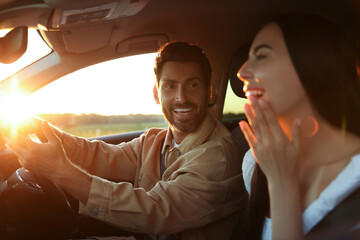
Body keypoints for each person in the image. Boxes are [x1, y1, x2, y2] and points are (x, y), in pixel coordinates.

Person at [6, 41, 245, 239]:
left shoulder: (218, 157)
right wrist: (42, 129)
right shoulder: (155, 141)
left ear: (209, 92)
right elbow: (99, 156)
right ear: (156, 94)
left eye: (192, 85)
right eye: (170, 86)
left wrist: (61, 172)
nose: (181, 97)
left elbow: (154, 210)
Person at [236, 14, 360, 239]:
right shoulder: (255, 163)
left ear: (314, 62)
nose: (241, 72)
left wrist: (282, 184)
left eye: (261, 56)